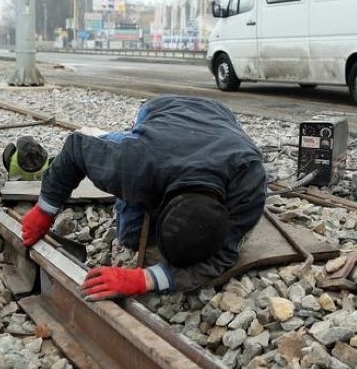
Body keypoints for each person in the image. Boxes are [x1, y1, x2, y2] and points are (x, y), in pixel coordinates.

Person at [20, 96, 267, 300]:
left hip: (219, 116)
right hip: (162, 109)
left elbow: (223, 255)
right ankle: (106, 137)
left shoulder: (249, 183)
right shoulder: (134, 165)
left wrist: (143, 279)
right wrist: (45, 209)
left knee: (137, 239)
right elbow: (75, 148)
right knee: (131, 236)